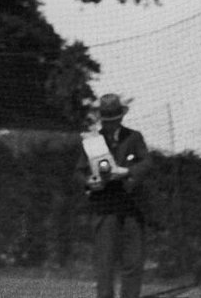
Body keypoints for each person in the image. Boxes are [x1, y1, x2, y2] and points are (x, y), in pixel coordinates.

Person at [76, 94, 153, 298]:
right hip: (104, 208)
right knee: (105, 264)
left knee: (133, 262)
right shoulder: (92, 142)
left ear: (121, 117)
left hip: (131, 208)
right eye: (107, 121)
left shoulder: (134, 138)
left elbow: (147, 164)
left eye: (115, 120)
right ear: (102, 119)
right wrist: (90, 183)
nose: (111, 124)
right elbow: (80, 171)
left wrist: (126, 172)